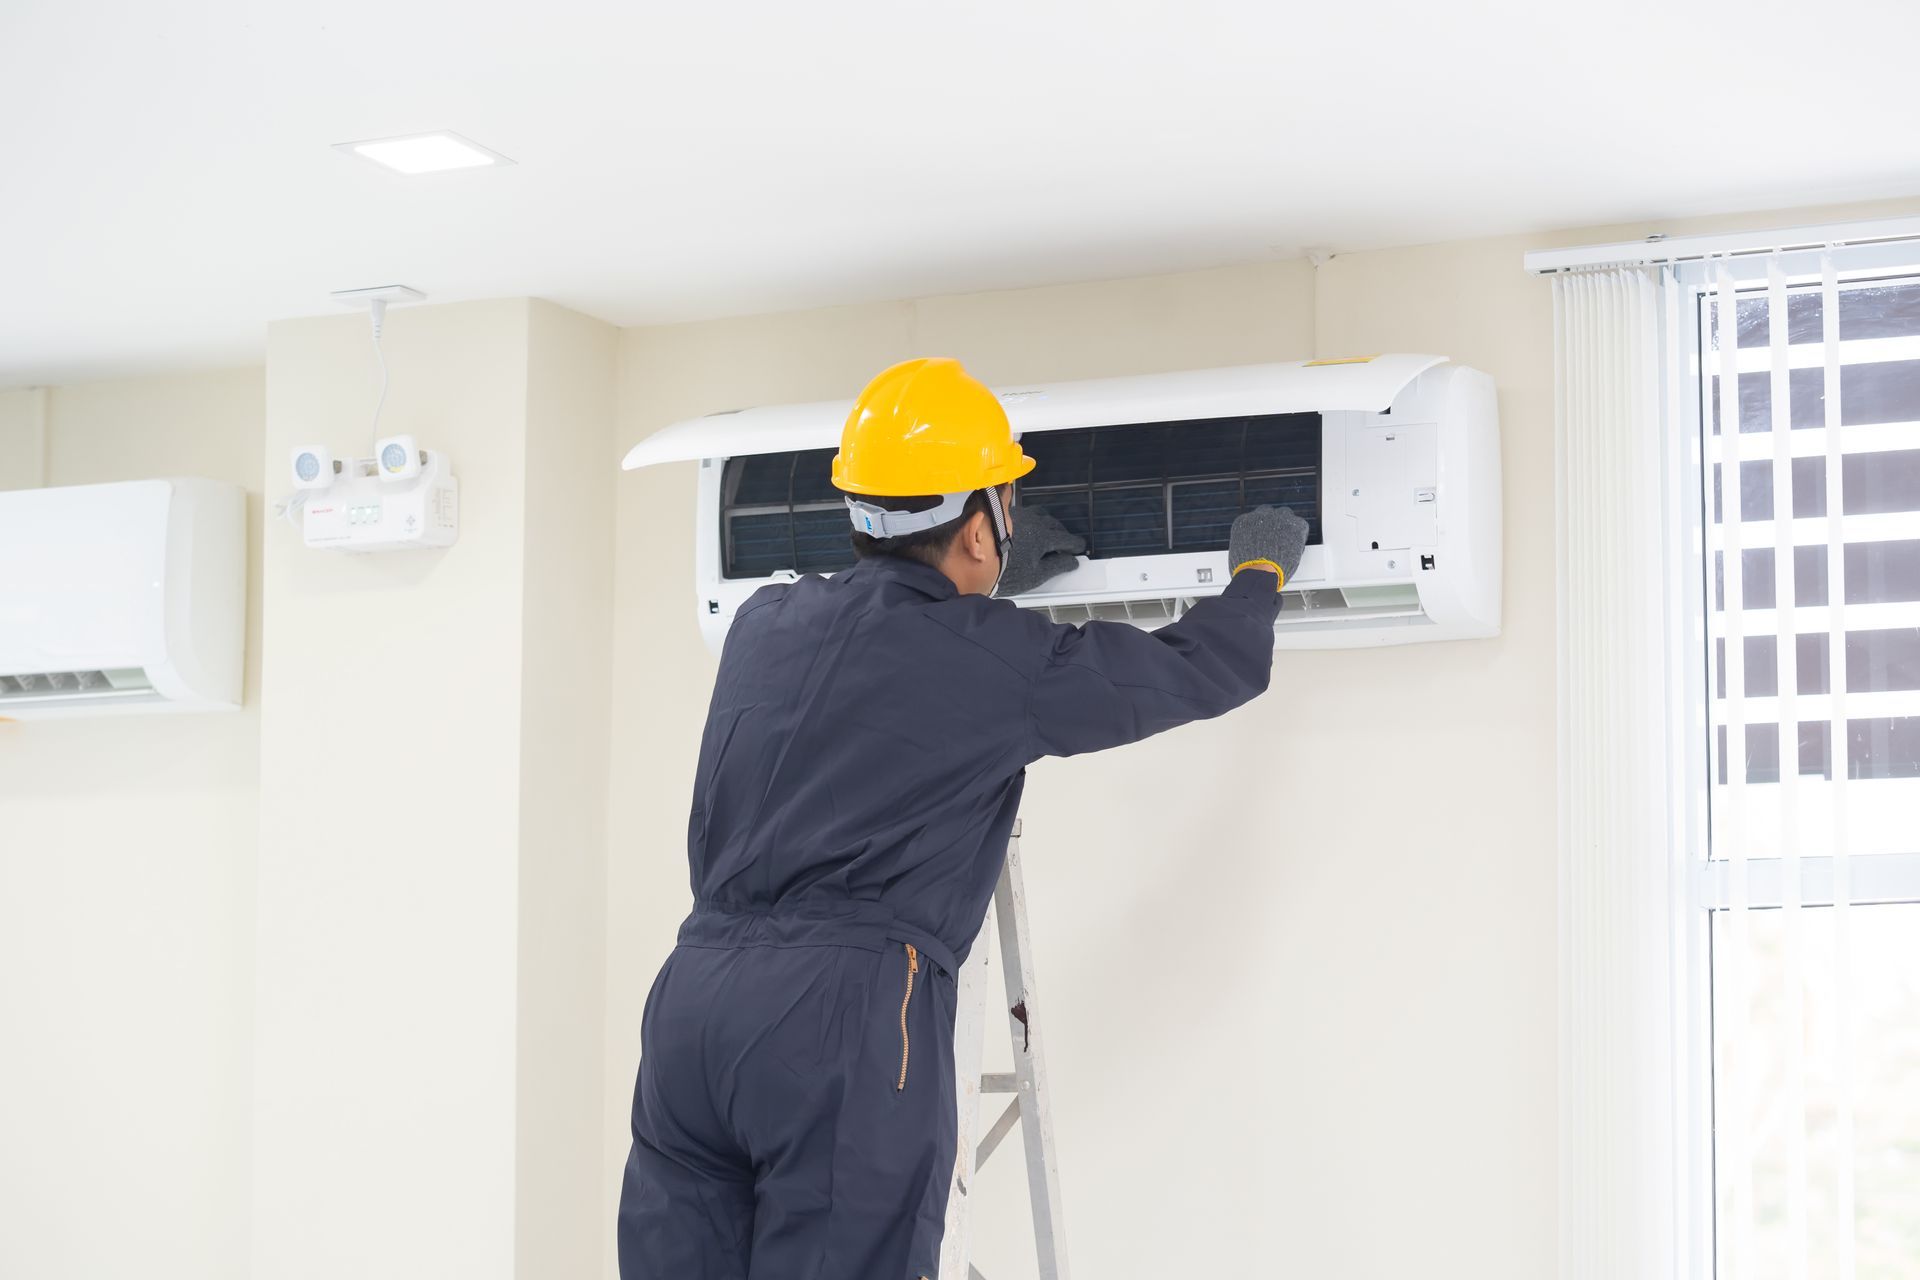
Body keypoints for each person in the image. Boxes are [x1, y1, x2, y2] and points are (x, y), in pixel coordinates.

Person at [618, 357, 1307, 1280]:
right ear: (982, 527)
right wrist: (1259, 572)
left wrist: (978, 578)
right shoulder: (1000, 659)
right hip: (838, 1014)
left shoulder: (764, 622)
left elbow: (884, 647)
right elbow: (1196, 670)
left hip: (693, 1007)